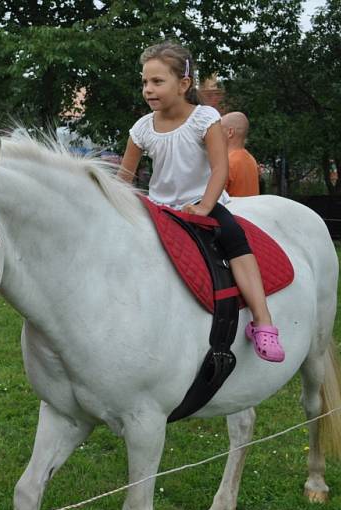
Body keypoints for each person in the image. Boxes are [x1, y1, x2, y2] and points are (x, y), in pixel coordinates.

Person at [118, 41, 284, 362]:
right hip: (160, 207)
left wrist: (206, 206)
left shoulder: (204, 118)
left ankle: (263, 320)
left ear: (183, 84)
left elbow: (220, 167)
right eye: (144, 82)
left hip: (201, 202)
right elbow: (124, 177)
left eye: (157, 81)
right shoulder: (141, 128)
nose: (148, 89)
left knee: (235, 239)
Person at [221, 111, 260, 197]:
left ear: (230, 132)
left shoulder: (227, 163)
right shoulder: (252, 160)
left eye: (219, 129)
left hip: (233, 210)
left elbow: (215, 200)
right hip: (251, 210)